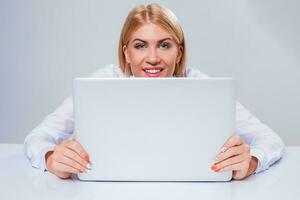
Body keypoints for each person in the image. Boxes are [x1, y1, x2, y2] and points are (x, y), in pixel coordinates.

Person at [24, 3, 284, 180]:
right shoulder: (102, 82)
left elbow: (269, 139)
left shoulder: (201, 86)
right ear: (126, 51)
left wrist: (251, 163)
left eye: (164, 45)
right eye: (140, 46)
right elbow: (39, 136)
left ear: (179, 51)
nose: (152, 58)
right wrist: (50, 158)